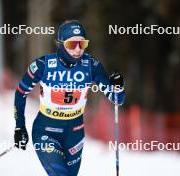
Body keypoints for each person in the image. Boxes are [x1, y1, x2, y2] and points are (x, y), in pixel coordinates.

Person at [14, 20, 125, 176]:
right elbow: (21, 93)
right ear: (60, 43)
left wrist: (118, 86)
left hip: (74, 132)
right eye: (72, 44)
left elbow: (117, 100)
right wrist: (20, 126)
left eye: (82, 44)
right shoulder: (43, 65)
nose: (78, 49)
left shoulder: (91, 65)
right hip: (46, 130)